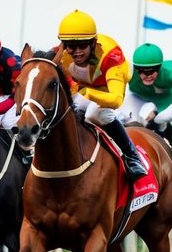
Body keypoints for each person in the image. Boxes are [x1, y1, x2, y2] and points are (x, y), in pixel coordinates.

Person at [54, 10, 146, 180]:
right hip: (83, 86)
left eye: (82, 45)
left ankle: (132, 156)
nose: (76, 52)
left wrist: (87, 93)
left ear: (93, 42)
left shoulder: (111, 56)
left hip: (107, 87)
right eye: (70, 46)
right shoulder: (59, 54)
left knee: (96, 113)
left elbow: (116, 100)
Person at [121, 42, 172, 177]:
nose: (147, 75)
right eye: (141, 71)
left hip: (166, 106)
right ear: (136, 69)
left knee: (157, 119)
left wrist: (158, 118)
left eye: (151, 71)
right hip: (140, 100)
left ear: (160, 67)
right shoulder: (128, 70)